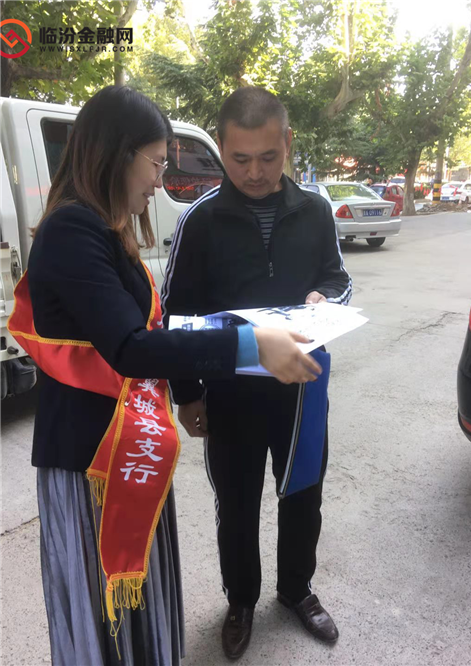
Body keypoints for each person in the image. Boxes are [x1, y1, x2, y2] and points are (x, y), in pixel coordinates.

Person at [8, 86, 322, 666]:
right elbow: (133, 346)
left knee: (138, 608)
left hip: (127, 446)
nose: (159, 182)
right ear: (118, 153)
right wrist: (250, 344)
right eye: (156, 163)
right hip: (92, 457)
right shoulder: (73, 230)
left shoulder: (102, 225)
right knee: (106, 611)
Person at [162, 87, 352, 660]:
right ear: (221, 147)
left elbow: (338, 278)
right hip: (231, 394)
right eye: (239, 158)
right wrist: (187, 394)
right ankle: (240, 600)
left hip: (302, 388)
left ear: (287, 143)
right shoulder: (201, 220)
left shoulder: (314, 211)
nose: (253, 172)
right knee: (237, 506)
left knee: (303, 496)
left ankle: (296, 590)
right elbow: (176, 314)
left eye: (268, 157)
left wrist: (327, 298)